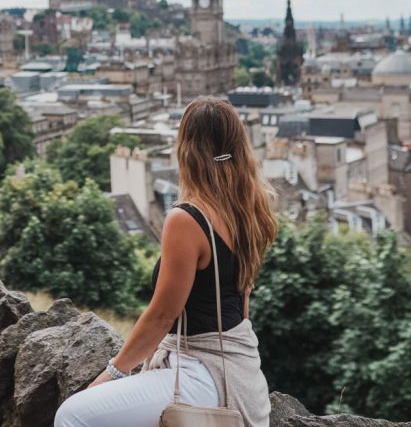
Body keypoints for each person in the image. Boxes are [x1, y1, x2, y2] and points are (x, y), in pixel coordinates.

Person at [54, 96, 278, 427]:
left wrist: (113, 372)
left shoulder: (187, 218)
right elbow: (242, 304)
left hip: (202, 373)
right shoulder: (248, 209)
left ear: (187, 150)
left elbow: (162, 316)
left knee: (72, 415)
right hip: (240, 369)